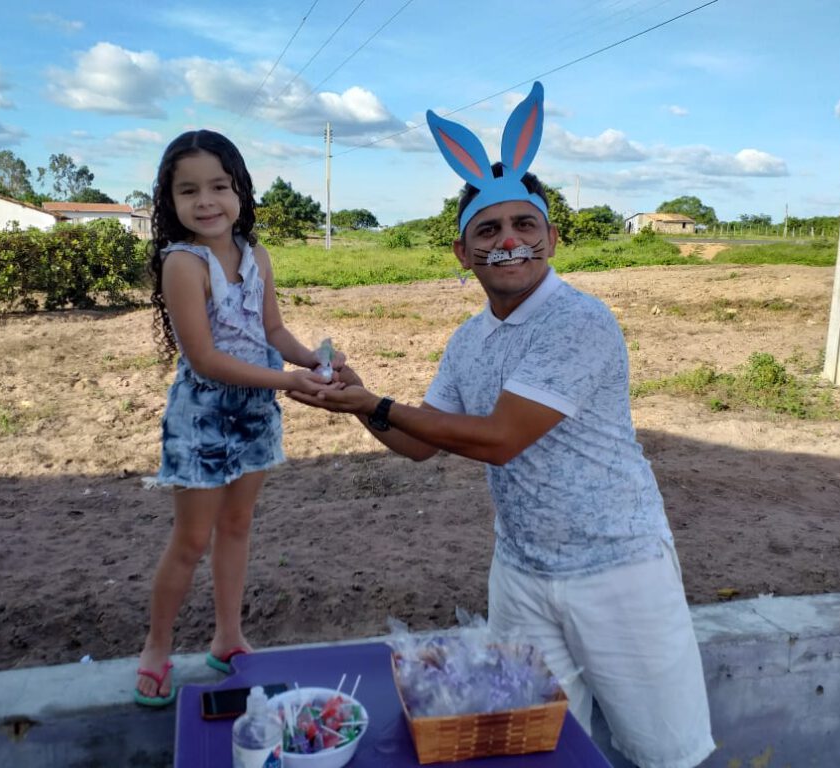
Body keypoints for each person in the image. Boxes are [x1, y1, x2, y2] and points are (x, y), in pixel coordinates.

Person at [289, 83, 715, 768]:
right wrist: (362, 401)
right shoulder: (469, 340)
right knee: (532, 749)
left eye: (524, 225)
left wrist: (376, 405)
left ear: (551, 237)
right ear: (463, 253)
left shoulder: (578, 321)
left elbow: (501, 438)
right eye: (488, 230)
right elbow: (423, 444)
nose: (508, 241)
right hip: (520, 573)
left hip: (618, 567)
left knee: (665, 753)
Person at [134, 129, 344, 707]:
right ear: (169, 202)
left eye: (219, 187)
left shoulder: (257, 256)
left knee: (237, 526)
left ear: (240, 190)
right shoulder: (183, 263)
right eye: (189, 190)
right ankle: (156, 649)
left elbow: (272, 331)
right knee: (191, 538)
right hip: (203, 416)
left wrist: (317, 361)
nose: (206, 202)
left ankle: (228, 636)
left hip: (256, 411)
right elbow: (203, 357)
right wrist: (289, 380)